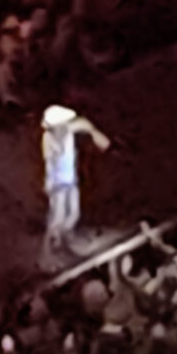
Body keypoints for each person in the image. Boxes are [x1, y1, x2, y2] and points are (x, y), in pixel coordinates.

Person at [41, 104, 113, 259]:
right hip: (58, 185)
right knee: (58, 216)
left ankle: (68, 237)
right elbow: (52, 159)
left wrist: (95, 134)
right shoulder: (48, 139)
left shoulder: (67, 130)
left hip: (70, 181)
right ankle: (52, 246)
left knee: (73, 211)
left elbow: (83, 124)